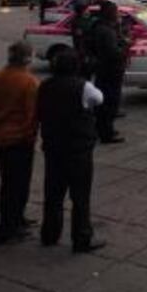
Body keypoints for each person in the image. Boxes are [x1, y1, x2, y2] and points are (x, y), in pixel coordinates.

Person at [37, 49, 106, 253]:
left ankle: (49, 234)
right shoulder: (83, 87)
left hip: (53, 147)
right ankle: (81, 237)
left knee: (53, 194)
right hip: (78, 150)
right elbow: (99, 99)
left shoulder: (45, 85)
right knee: (80, 197)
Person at [0, 41, 39, 244]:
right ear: (28, 58)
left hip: (2, 137)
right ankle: (9, 227)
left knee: (9, 182)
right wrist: (29, 135)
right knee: (18, 184)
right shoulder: (28, 82)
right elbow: (32, 115)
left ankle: (16, 219)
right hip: (20, 140)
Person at [91, 2, 127, 144]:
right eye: (116, 12)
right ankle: (107, 133)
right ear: (110, 13)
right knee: (109, 102)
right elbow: (114, 52)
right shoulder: (106, 31)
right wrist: (124, 49)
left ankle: (102, 129)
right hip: (110, 70)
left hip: (104, 69)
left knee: (105, 102)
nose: (118, 14)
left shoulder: (103, 27)